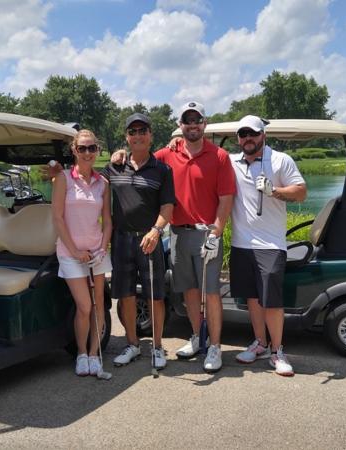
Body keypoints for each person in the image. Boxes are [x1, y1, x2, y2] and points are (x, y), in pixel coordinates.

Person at [116, 102, 236, 373]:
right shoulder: (168, 154)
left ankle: (215, 346)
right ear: (180, 126)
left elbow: (226, 199)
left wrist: (217, 232)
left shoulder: (219, 156)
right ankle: (197, 337)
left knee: (211, 292)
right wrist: (120, 153)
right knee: (189, 291)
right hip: (179, 233)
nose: (192, 125)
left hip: (207, 233)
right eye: (187, 121)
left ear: (204, 123)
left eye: (197, 120)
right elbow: (141, 155)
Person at [229, 115, 306, 376]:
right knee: (252, 297)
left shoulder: (280, 160)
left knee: (271, 300)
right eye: (243, 134)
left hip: (271, 244)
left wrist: (275, 191)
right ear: (238, 138)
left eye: (253, 133)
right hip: (241, 243)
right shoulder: (232, 162)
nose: (248, 139)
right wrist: (175, 144)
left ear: (263, 135)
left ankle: (277, 351)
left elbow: (301, 192)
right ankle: (260, 343)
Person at [102, 113, 175, 370]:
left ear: (150, 135)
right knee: (126, 295)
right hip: (121, 239)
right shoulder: (114, 166)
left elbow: (167, 207)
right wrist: (59, 174)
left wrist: (156, 231)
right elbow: (87, 181)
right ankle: (132, 344)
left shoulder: (162, 170)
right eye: (132, 131)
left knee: (156, 295)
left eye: (142, 130)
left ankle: (157, 346)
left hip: (149, 238)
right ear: (127, 137)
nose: (137, 135)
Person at [51, 129, 113, 377]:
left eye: (92, 148)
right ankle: (82, 353)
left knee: (99, 305)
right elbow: (57, 218)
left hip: (97, 251)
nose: (88, 153)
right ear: (74, 150)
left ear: (97, 150)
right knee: (85, 306)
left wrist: (103, 247)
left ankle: (95, 353)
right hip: (70, 252)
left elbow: (107, 220)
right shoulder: (63, 178)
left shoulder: (103, 183)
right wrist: (75, 250)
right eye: (82, 148)